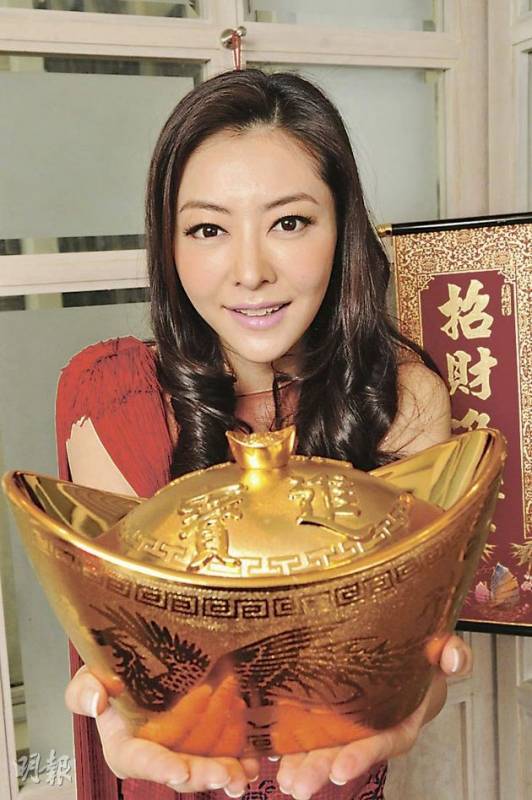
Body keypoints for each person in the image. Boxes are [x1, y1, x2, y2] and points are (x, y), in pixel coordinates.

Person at [56, 68, 473, 800]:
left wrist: (418, 697)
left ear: (341, 229)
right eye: (208, 229)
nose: (250, 272)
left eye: (289, 223)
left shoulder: (403, 400)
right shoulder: (114, 398)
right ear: (169, 244)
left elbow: (413, 657)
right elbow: (135, 664)